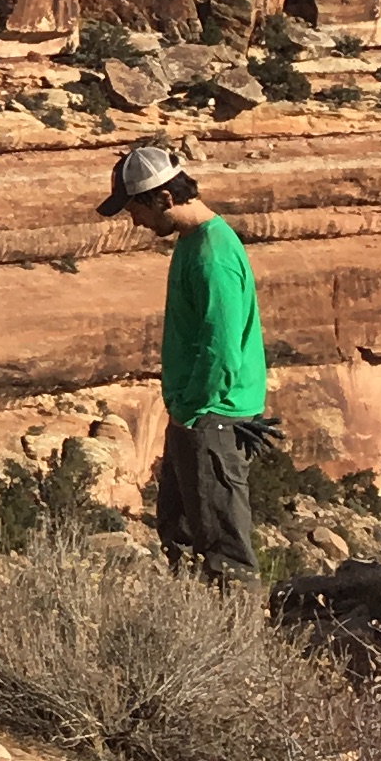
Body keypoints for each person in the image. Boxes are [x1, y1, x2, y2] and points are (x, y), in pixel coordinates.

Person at [103, 141, 267, 583]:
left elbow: (222, 348)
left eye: (135, 208)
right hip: (197, 414)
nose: (133, 220)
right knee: (181, 536)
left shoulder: (213, 256)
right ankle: (194, 630)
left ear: (164, 198)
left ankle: (234, 647)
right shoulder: (193, 242)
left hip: (213, 416)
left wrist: (194, 410)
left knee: (224, 552)